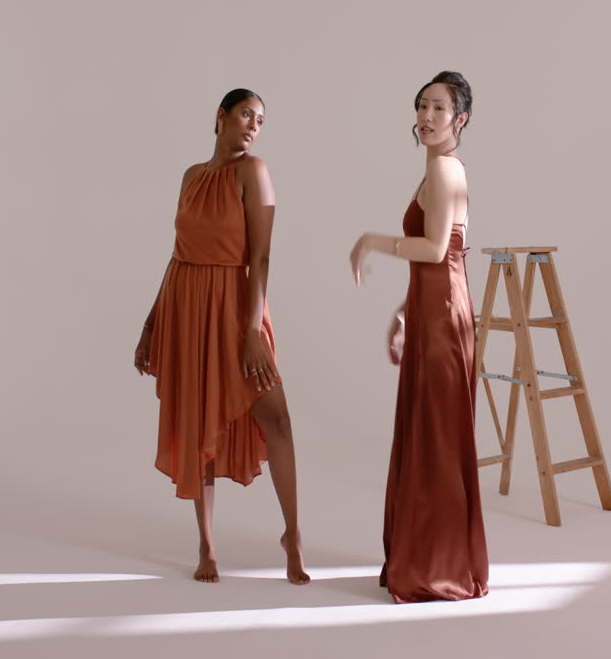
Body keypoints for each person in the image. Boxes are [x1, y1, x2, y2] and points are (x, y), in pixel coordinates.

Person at [135, 88, 308, 585]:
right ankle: (207, 545)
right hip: (188, 306)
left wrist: (253, 331)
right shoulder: (192, 177)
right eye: (246, 114)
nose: (254, 125)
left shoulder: (253, 172)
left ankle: (293, 536)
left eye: (261, 119)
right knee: (200, 421)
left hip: (238, 307)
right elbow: (177, 253)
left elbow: (262, 256)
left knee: (276, 417)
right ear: (221, 116)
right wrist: (151, 324)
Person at [349, 71, 489, 602]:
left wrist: (370, 241)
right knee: (428, 436)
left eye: (439, 109)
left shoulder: (445, 170)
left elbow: (434, 251)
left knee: (437, 439)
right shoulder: (437, 170)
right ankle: (430, 559)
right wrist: (407, 311)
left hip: (446, 321)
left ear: (461, 119)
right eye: (422, 106)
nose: (426, 117)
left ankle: (440, 569)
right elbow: (448, 254)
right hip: (434, 313)